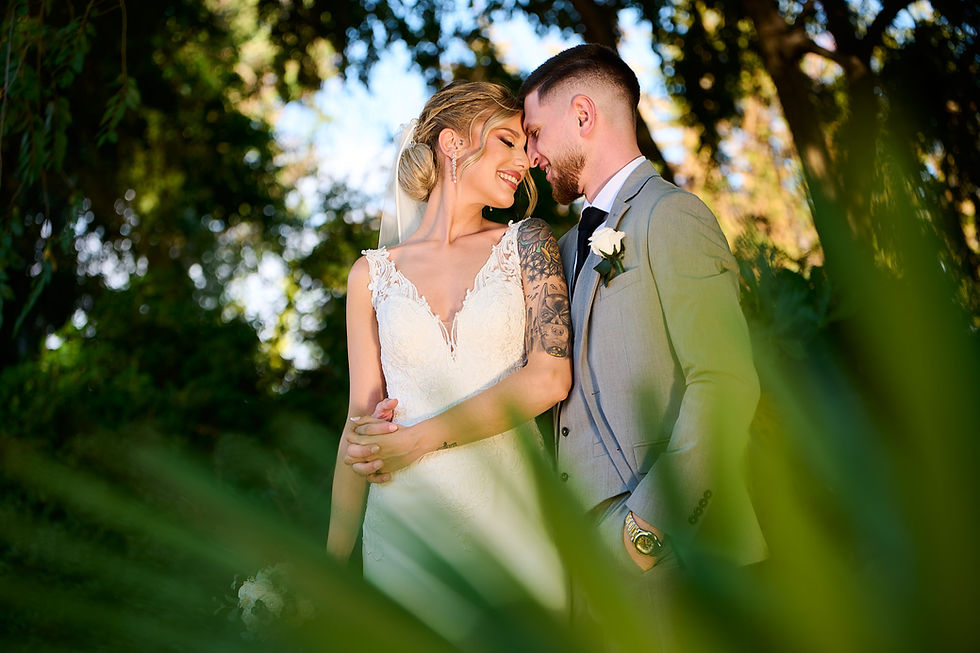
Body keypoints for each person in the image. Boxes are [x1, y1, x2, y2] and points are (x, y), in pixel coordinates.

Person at [517, 43, 768, 639]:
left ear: (583, 115)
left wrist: (645, 534)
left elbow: (725, 382)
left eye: (533, 133)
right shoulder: (568, 248)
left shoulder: (670, 215)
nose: (529, 157)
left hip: (679, 561)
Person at [326, 81, 572, 642]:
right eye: (508, 140)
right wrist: (332, 565)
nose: (526, 161)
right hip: (403, 529)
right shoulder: (370, 276)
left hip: (511, 518)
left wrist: (415, 439)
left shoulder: (529, 244)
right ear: (452, 144)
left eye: (528, 146)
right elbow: (358, 427)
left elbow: (550, 377)